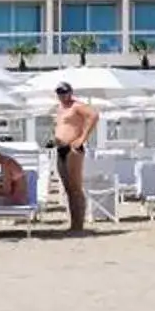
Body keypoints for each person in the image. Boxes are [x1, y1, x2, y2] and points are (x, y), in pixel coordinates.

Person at [49, 82, 98, 234]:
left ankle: (79, 225)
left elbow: (94, 116)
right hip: (60, 148)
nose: (62, 95)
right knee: (68, 189)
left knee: (76, 188)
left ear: (70, 92)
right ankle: (73, 224)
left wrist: (82, 138)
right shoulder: (60, 109)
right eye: (59, 92)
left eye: (64, 92)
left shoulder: (77, 106)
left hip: (73, 148)